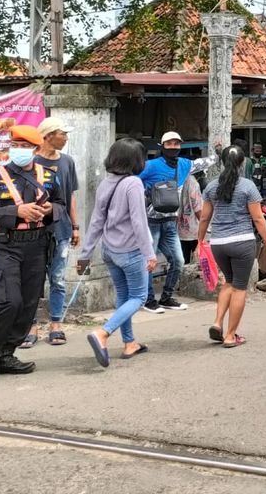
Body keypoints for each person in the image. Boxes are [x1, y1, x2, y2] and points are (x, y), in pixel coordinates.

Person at [0, 124, 66, 383]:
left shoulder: (48, 175)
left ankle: (7, 354)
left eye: (25, 147)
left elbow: (61, 205)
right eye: (16, 146)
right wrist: (16, 212)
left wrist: (48, 211)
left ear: (36, 150)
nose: (20, 150)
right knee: (9, 301)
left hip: (37, 246)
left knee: (28, 303)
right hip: (6, 245)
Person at [76, 139, 157, 367]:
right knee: (139, 297)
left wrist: (85, 254)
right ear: (135, 161)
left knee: (124, 297)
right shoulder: (133, 183)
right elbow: (139, 223)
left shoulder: (106, 183)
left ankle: (129, 343)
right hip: (130, 252)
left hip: (109, 251)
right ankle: (103, 333)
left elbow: (96, 221)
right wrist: (150, 254)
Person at [198, 145, 266, 348]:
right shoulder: (248, 186)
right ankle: (231, 335)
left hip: (218, 243)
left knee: (229, 282)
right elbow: (259, 219)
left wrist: (200, 241)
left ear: (222, 162)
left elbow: (205, 217)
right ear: (243, 163)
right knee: (240, 288)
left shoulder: (211, 187)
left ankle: (217, 323)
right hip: (242, 242)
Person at [21, 117, 81, 349]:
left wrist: (75, 226)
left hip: (62, 229)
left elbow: (71, 197)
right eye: (62, 133)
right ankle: (31, 325)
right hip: (34, 231)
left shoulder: (67, 162)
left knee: (57, 278)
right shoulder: (30, 162)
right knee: (33, 279)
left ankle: (56, 324)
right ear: (47, 136)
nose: (66, 138)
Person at [138, 131, 195, 313]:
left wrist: (219, 152)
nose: (173, 147)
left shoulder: (185, 165)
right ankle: (148, 300)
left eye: (176, 144)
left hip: (170, 221)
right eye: (169, 144)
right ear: (162, 146)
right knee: (149, 261)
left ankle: (166, 297)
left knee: (178, 260)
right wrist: (145, 193)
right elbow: (133, 181)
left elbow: (204, 163)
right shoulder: (151, 165)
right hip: (151, 221)